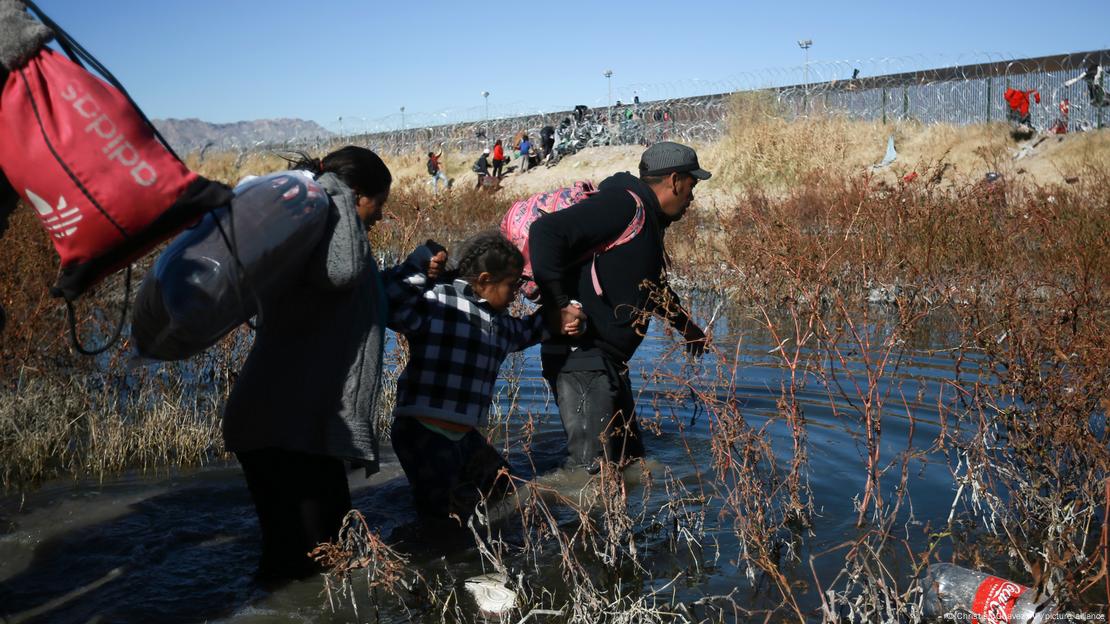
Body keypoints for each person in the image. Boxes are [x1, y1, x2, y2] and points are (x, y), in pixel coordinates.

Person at [222, 145, 445, 584]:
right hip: (278, 426)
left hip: (303, 426)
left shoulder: (323, 245)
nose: (380, 217)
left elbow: (364, 296)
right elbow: (345, 274)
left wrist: (415, 268)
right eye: (377, 205)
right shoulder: (320, 236)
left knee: (328, 549)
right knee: (297, 559)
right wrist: (337, 193)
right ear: (356, 194)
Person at [528, 142, 710, 472]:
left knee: (629, 464)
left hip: (606, 361)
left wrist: (686, 327)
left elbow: (648, 287)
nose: (691, 197)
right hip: (581, 359)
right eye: (691, 186)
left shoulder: (646, 219)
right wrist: (559, 305)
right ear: (674, 180)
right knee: (590, 478)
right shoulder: (622, 204)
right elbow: (545, 231)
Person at [385, 231, 582, 518]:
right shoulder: (437, 302)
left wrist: (562, 315)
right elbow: (392, 303)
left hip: (463, 435)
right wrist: (418, 266)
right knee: (444, 519)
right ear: (485, 279)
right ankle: (432, 557)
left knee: (512, 492)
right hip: (422, 433)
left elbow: (526, 331)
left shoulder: (497, 322)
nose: (516, 293)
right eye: (511, 285)